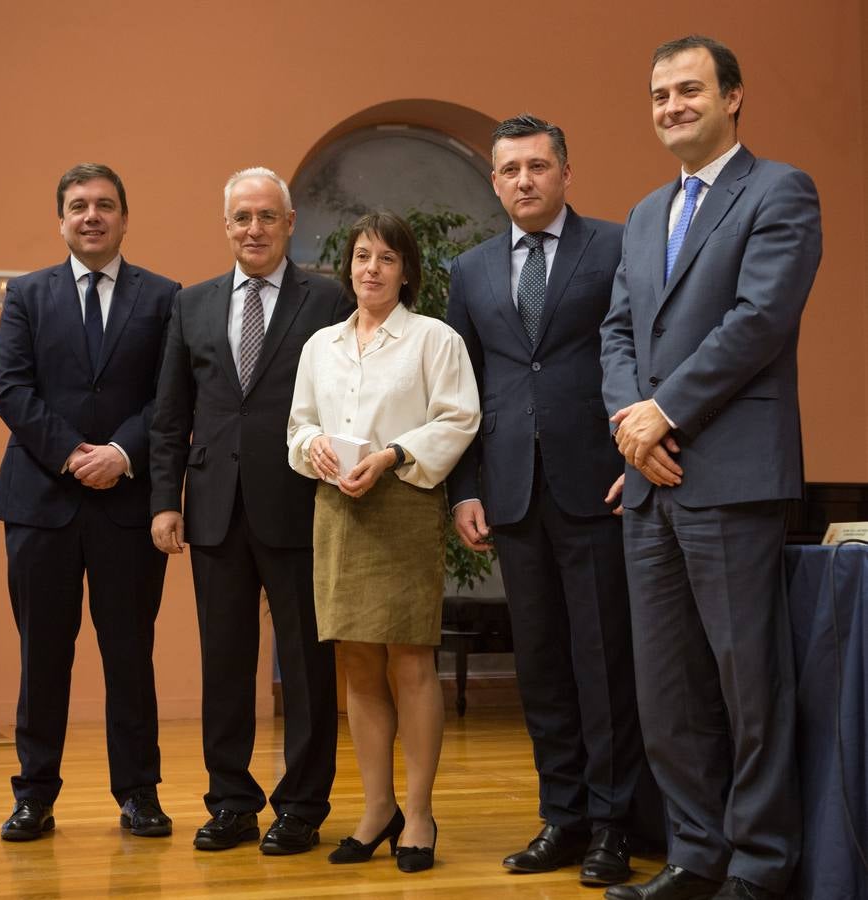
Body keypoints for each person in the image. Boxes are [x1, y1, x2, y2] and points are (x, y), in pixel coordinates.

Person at [601, 36, 822, 900]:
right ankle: (696, 856)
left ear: (733, 97)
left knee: (747, 691)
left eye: (688, 90)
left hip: (730, 477)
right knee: (668, 692)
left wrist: (666, 411)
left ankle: (762, 868)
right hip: (649, 482)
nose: (670, 106)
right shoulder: (646, 211)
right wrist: (632, 425)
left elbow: (758, 318)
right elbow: (617, 334)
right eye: (658, 95)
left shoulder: (779, 191)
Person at [446, 114, 646, 887]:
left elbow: (642, 350)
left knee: (602, 664)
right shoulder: (470, 270)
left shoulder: (615, 244)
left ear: (565, 171)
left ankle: (611, 825)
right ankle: (559, 818)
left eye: (536, 166)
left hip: (598, 484)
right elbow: (461, 388)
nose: (523, 180)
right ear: (494, 182)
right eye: (509, 170)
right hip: (510, 495)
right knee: (540, 668)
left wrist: (639, 450)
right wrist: (464, 489)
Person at [149, 167, 352, 855]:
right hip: (212, 511)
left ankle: (302, 805)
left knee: (305, 666)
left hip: (298, 506)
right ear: (226, 226)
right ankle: (230, 802)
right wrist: (163, 502)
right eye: (242, 217)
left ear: (289, 223)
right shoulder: (192, 305)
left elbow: (345, 398)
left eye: (267, 216)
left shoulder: (327, 299)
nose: (254, 229)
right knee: (226, 665)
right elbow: (170, 414)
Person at [0, 163, 179, 841]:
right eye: (78, 206)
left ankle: (139, 794)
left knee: (130, 653)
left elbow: (169, 396)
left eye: (104, 205)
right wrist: (75, 454)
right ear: (62, 220)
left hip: (128, 505)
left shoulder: (165, 298)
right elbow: (10, 390)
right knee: (43, 654)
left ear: (125, 218)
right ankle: (34, 796)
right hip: (40, 503)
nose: (91, 216)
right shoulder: (27, 295)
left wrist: (120, 455)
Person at [287, 211, 480, 873]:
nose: (370, 268)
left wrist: (394, 454)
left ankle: (419, 813)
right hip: (336, 507)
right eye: (362, 256)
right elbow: (298, 426)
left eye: (386, 259)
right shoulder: (321, 346)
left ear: (406, 272)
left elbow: (458, 420)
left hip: (402, 502)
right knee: (358, 667)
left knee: (410, 663)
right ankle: (376, 808)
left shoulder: (434, 339)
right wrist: (310, 447)